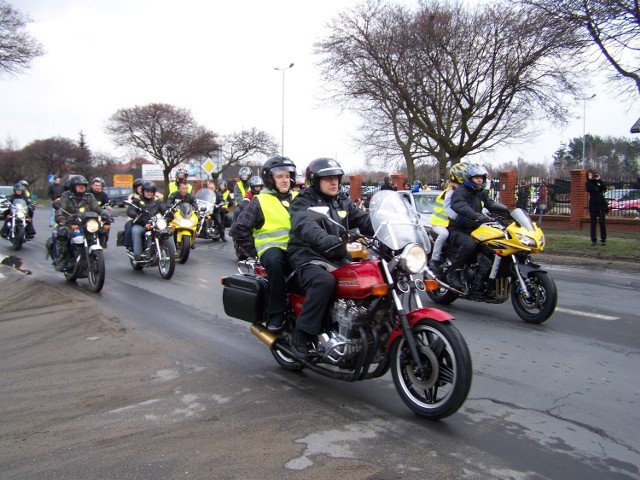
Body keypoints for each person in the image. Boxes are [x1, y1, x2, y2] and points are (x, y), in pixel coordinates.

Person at [287, 158, 374, 360]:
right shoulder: (303, 201)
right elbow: (305, 224)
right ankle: (302, 335)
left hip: (336, 254)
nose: (334, 182)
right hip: (308, 255)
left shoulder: (342, 200)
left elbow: (365, 221)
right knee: (324, 281)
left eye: (336, 178)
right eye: (327, 179)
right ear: (315, 181)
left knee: (368, 276)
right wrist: (326, 240)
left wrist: (392, 229)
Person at [230, 156, 298, 332]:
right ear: (270, 179)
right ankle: (276, 312)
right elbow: (239, 229)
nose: (285, 180)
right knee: (275, 263)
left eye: (287, 175)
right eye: (280, 176)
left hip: (298, 248)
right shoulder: (260, 200)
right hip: (271, 248)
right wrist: (255, 252)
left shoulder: (299, 198)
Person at [447, 164, 509, 290]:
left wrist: (508, 212)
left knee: (492, 244)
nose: (480, 180)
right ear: (469, 179)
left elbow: (490, 204)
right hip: (459, 229)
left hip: (475, 228)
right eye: (476, 178)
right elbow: (460, 205)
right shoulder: (460, 192)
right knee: (470, 244)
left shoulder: (480, 192)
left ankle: (485, 275)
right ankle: (453, 273)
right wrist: (476, 215)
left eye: (481, 177)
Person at [54, 176, 111, 271]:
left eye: (83, 185)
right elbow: (61, 208)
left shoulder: (89, 196)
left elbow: (96, 208)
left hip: (86, 224)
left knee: (101, 231)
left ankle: (94, 255)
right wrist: (60, 218)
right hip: (71, 224)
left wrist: (106, 215)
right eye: (79, 185)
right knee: (62, 234)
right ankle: (61, 260)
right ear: (73, 186)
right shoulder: (66, 196)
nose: (82, 187)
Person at [428, 163, 466, 273]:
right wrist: (458, 218)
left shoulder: (459, 191)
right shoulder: (450, 192)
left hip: (448, 223)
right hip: (438, 223)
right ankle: (434, 259)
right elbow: (447, 208)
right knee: (444, 234)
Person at [128, 181, 169, 261]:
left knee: (167, 230)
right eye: (147, 191)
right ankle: (138, 254)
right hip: (141, 223)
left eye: (151, 192)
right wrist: (135, 214)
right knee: (136, 231)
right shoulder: (137, 201)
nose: (149, 193)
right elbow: (131, 210)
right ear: (143, 191)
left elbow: (164, 209)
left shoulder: (156, 202)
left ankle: (171, 251)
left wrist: (169, 213)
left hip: (154, 224)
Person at [586, 170, 608, 246]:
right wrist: (590, 180)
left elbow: (604, 188)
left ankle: (603, 239)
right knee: (593, 223)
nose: (591, 176)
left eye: (592, 174)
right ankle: (593, 240)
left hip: (601, 205)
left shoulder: (598, 182)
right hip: (593, 206)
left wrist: (599, 180)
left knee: (602, 222)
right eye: (589, 175)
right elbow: (588, 189)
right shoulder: (588, 183)